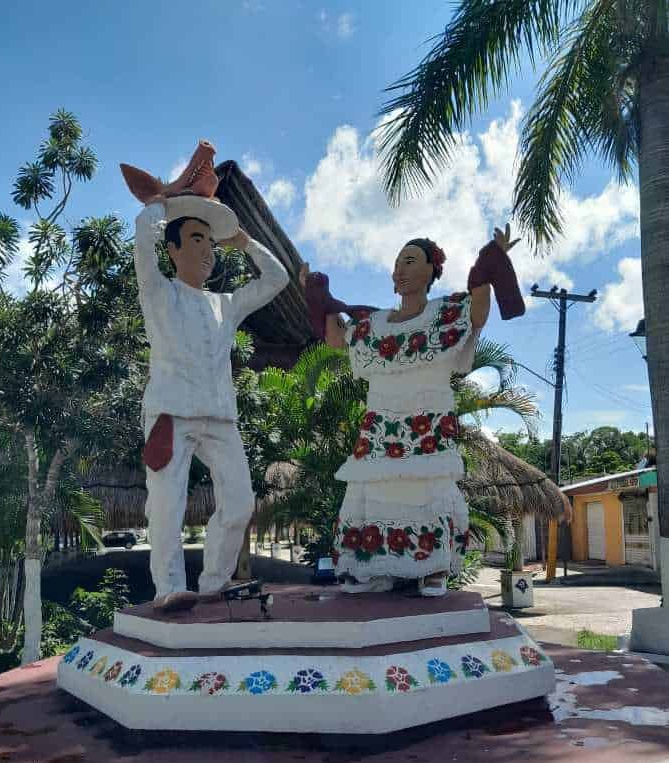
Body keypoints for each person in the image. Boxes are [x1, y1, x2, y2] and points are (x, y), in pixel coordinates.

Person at [302, 226, 522, 595]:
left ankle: (432, 567)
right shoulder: (373, 325)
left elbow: (480, 310)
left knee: (426, 489)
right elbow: (336, 337)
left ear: (431, 271)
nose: (400, 269)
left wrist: (490, 259)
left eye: (410, 261)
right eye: (396, 263)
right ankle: (375, 566)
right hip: (381, 424)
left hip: (427, 421)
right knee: (373, 493)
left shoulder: (446, 314)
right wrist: (315, 293)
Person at [134, 191, 288, 610]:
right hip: (171, 414)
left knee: (240, 502)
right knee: (167, 504)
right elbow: (141, 238)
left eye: (210, 242)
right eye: (196, 239)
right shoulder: (158, 291)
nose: (207, 250)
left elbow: (278, 280)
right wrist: (161, 206)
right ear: (173, 249)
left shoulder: (226, 304)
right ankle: (167, 587)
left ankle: (213, 584)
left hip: (220, 417)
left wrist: (244, 243)